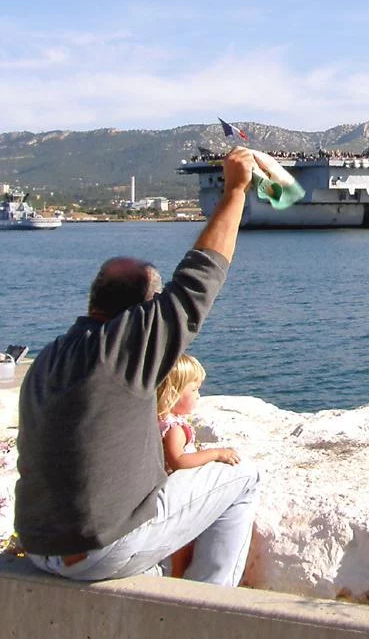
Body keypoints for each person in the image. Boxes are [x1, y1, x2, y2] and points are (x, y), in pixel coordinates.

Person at [15, 146, 261, 586]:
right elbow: (201, 277)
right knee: (244, 476)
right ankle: (209, 600)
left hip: (39, 546)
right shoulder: (126, 347)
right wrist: (236, 191)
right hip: (99, 549)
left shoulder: (48, 357)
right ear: (145, 309)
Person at [156, 353, 239, 577]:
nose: (198, 395)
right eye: (193, 390)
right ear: (173, 393)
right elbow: (178, 460)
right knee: (184, 542)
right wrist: (214, 454)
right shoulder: (173, 427)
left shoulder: (157, 419)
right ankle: (178, 576)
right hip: (176, 492)